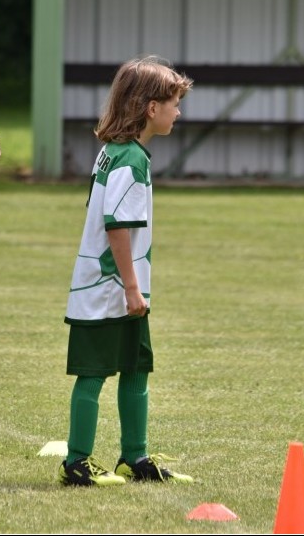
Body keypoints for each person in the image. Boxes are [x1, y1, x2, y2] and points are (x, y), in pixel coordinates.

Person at [59, 55, 195, 487]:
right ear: (151, 108)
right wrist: (132, 290)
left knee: (136, 367)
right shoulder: (130, 160)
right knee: (94, 372)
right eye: (174, 102)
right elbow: (117, 228)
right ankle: (76, 462)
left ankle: (133, 457)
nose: (179, 111)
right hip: (108, 289)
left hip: (122, 288)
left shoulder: (118, 152)